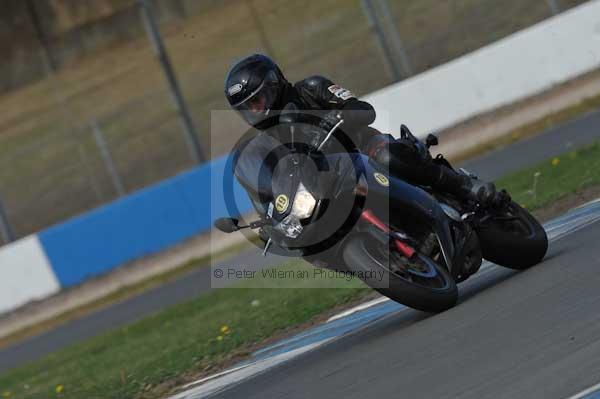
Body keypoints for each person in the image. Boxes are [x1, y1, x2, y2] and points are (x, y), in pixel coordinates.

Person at [224, 54, 504, 206]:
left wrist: (339, 117)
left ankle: (464, 186)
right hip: (335, 178)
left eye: (257, 101)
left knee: (387, 158)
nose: (255, 111)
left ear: (274, 84)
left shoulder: (310, 89)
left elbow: (364, 109)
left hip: (366, 150)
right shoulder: (268, 141)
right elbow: (275, 178)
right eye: (247, 107)